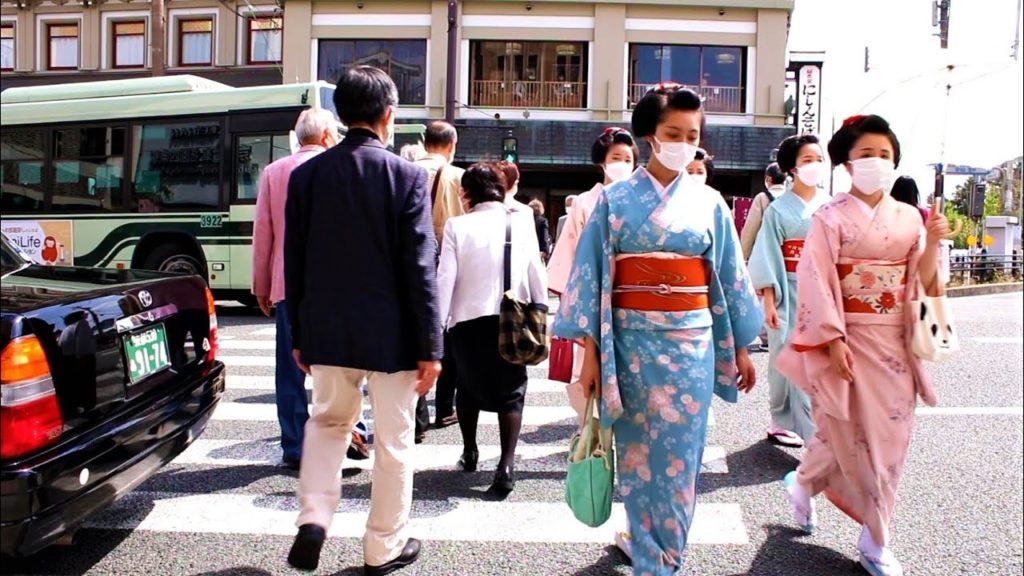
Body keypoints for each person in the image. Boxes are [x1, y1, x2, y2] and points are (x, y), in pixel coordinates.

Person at [553, 84, 762, 576]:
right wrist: (589, 361)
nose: (684, 143)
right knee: (638, 458)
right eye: (674, 133)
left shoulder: (710, 202)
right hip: (631, 347)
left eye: (693, 135)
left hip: (692, 347)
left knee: (681, 460)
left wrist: (742, 348)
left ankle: (667, 557)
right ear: (650, 134)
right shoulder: (615, 201)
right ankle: (651, 557)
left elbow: (730, 278)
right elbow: (592, 280)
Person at [283, 66, 443, 575]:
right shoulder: (407, 176)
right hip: (394, 335)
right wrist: (431, 346)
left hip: (326, 328)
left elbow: (295, 261)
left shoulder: (305, 176)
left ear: (341, 115)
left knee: (328, 424)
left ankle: (314, 517)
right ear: (388, 115)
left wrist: (300, 335)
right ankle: (383, 548)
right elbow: (420, 266)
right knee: (393, 444)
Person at [775, 114, 950, 576]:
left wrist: (932, 243)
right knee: (843, 431)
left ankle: (866, 531)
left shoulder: (910, 217)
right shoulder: (829, 217)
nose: (877, 162)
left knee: (890, 440)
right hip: (846, 336)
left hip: (894, 343)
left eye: (885, 154)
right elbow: (815, 278)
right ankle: (831, 504)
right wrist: (832, 340)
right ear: (847, 162)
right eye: (866, 154)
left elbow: (923, 280)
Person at [546, 126, 640, 560]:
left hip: (639, 319)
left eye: (628, 157)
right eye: (616, 156)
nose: (622, 163)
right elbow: (571, 274)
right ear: (601, 162)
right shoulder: (584, 204)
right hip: (596, 320)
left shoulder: (644, 201)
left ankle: (637, 521)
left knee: (638, 426)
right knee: (598, 413)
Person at [436, 162, 547, 494]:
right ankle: (506, 465)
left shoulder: (457, 226)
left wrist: (438, 324)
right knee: (512, 392)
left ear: (467, 193)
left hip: (466, 321)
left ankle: (470, 451)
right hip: (511, 318)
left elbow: (446, 278)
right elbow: (535, 271)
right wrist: (540, 310)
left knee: (467, 387)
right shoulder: (520, 221)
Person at [252, 107, 338, 470]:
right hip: (332, 286)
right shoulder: (338, 167)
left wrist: (261, 285)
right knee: (335, 366)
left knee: (289, 370)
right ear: (326, 135)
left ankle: (295, 444)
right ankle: (344, 435)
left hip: (287, 283)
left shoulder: (274, 172)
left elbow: (264, 234)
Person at [747, 134, 829, 449]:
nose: (814, 166)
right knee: (784, 356)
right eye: (807, 160)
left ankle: (814, 425)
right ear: (792, 168)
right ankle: (780, 419)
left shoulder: (831, 205)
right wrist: (769, 300)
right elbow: (767, 254)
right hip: (788, 289)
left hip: (822, 293)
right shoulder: (778, 210)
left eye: (819, 159)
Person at [413, 121, 467, 442]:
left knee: (414, 335)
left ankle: (417, 415)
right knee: (448, 335)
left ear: (425, 142)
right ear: (452, 145)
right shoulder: (458, 177)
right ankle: (445, 406)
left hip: (413, 263)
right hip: (448, 263)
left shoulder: (405, 170)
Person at [741, 162, 788, 260]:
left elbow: (751, 229)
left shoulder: (762, 198)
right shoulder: (791, 198)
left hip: (766, 253)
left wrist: (743, 256)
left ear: (768, 179)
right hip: (787, 253)